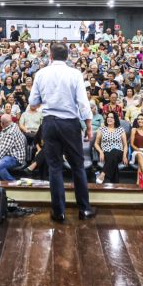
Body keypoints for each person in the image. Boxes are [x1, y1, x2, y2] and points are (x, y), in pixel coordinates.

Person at [28, 43, 96, 222]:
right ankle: (84, 209)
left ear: (50, 55)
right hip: (70, 124)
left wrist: (47, 99)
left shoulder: (41, 73)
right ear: (67, 56)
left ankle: (59, 212)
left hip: (49, 123)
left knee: (55, 167)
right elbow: (83, 103)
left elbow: (33, 102)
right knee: (78, 166)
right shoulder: (75, 74)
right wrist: (89, 126)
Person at [0, 115, 27, 181]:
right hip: (8, 152)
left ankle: (12, 182)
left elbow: (2, 151)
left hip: (15, 157)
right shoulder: (11, 125)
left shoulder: (10, 133)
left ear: (2, 123)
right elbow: (2, 140)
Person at [94, 112, 128, 184]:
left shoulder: (120, 129)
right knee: (113, 161)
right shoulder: (102, 129)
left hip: (119, 152)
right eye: (108, 117)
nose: (109, 118)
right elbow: (96, 143)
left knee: (114, 151)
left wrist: (124, 156)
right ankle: (115, 185)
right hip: (106, 152)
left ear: (115, 119)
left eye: (111, 117)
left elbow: (125, 145)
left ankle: (102, 174)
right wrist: (100, 152)